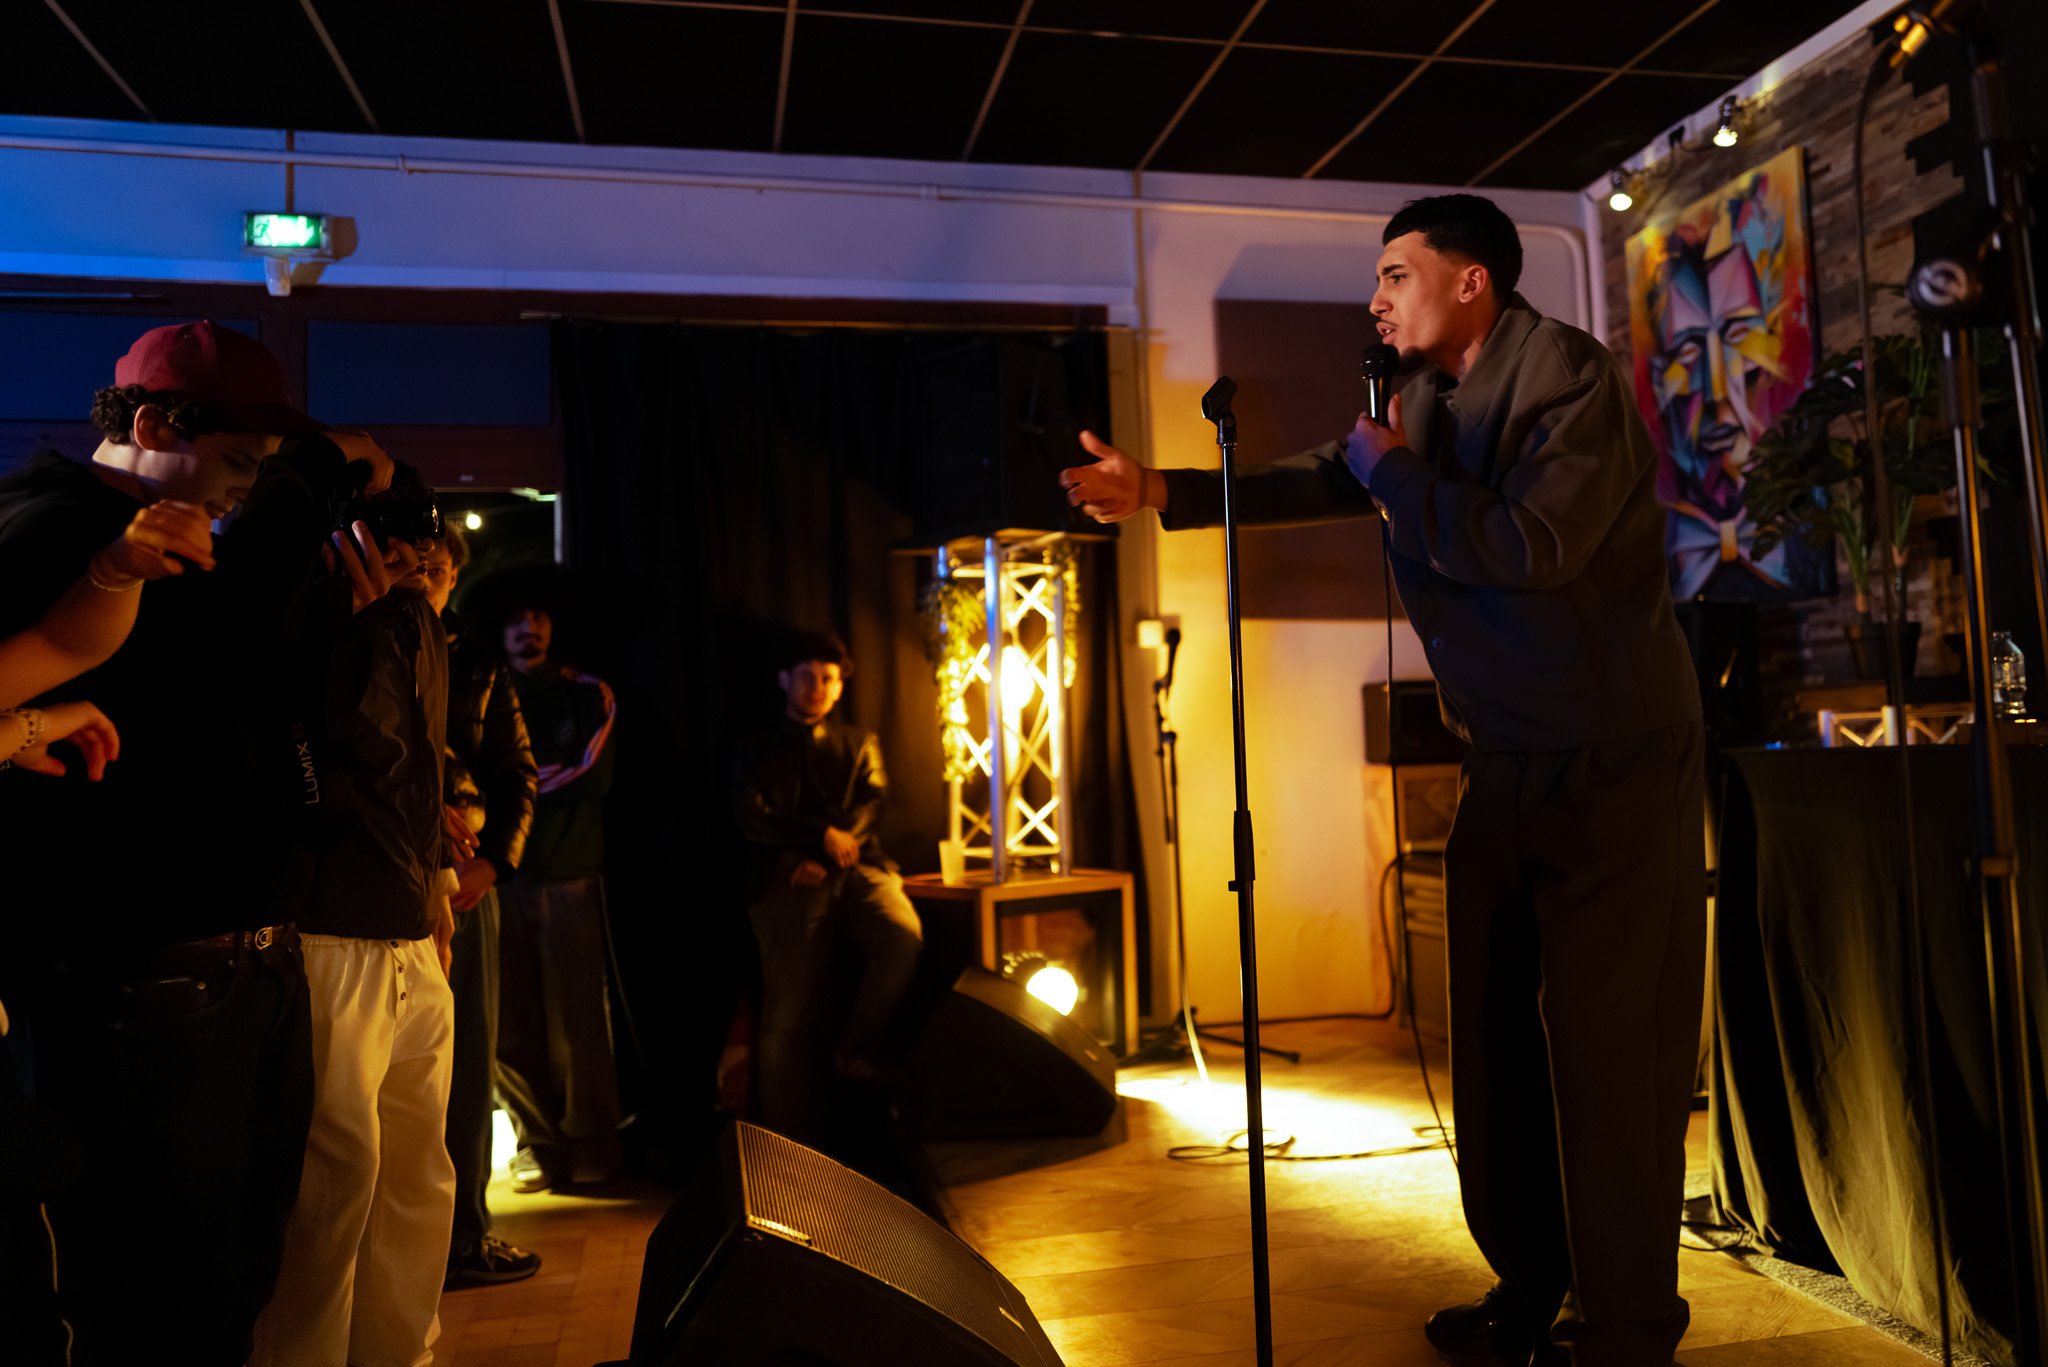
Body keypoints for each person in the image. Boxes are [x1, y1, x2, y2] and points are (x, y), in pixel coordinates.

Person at [1059, 194, 1706, 1367]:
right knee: (1496, 1049)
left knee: (1611, 1058)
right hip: (1501, 760)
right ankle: (1529, 1284)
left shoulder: (1565, 377)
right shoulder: (1413, 397)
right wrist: (1160, 490)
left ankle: (1625, 1331)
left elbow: (1530, 548)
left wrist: (1394, 472)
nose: (1375, 298)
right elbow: (1328, 474)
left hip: (1612, 758)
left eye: (1395, 274)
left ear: (1471, 282)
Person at [0, 319, 397, 1366]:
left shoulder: (184, 552)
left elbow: (251, 718)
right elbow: (170, 664)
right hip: (150, 979)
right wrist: (316, 473)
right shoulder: (56, 526)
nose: (243, 492)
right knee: (156, 1292)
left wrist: (335, 619)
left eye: (260, 471)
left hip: (244, 959)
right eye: (237, 463)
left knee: (232, 1281)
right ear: (151, 422)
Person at [249, 470, 459, 1367]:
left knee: (415, 1177)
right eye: (388, 528)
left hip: (407, 928)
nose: (413, 550)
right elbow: (312, 769)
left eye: (421, 532)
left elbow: (418, 773)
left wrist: (441, 887)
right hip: (333, 929)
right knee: (334, 1189)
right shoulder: (304, 625)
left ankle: (400, 1352)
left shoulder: (418, 628)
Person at [734, 630, 922, 1147]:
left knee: (902, 933)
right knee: (789, 1007)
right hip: (787, 874)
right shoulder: (757, 745)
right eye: (806, 676)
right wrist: (816, 841)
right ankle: (784, 1143)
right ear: (783, 680)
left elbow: (874, 801)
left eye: (827, 678)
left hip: (857, 864)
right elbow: (750, 816)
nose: (817, 686)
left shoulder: (858, 741)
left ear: (839, 687)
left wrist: (831, 851)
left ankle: (855, 1050)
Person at [420, 527, 544, 1288]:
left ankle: (465, 1233)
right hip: (390, 877)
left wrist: (496, 862)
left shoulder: (477, 660)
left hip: (470, 881)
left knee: (469, 1063)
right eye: (415, 561)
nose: (424, 575)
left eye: (437, 567)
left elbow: (517, 772)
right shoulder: (361, 639)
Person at [496, 599, 625, 1189]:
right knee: (506, 1018)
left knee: (578, 1017)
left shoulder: (588, 692)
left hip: (569, 871)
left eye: (542, 615)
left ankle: (591, 1143)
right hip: (495, 876)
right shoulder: (479, 688)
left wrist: (510, 789)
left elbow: (590, 773)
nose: (531, 627)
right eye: (517, 619)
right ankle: (535, 1142)